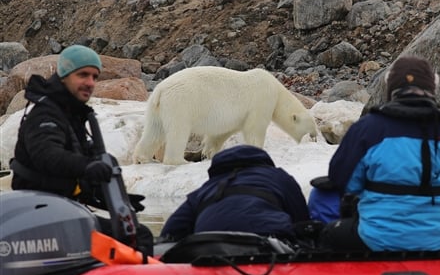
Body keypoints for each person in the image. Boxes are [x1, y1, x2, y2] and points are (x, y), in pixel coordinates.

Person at [318, 56, 440, 252]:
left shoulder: (367, 129)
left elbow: (342, 180)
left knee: (328, 234)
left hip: (374, 238)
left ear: (390, 88)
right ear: (433, 89)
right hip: (438, 240)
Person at [11, 44, 153, 255]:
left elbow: (74, 174)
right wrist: (88, 167)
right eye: (83, 75)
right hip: (42, 212)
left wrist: (111, 197)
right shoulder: (45, 114)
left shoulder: (70, 114)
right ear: (63, 75)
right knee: (139, 238)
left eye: (95, 77)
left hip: (61, 208)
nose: (90, 83)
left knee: (133, 232)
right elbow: (48, 157)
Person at [159, 144, 311, 243]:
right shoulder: (279, 178)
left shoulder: (205, 189)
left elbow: (170, 233)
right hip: (269, 240)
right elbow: (302, 223)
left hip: (209, 246)